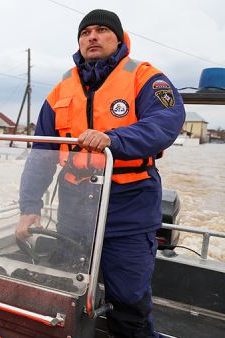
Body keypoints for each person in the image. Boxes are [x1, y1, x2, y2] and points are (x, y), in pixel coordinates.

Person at [16, 9, 185, 338]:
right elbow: (41, 153)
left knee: (129, 300)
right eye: (85, 32)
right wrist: (29, 206)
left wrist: (114, 140)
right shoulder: (61, 90)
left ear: (119, 39)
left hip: (129, 206)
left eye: (102, 30)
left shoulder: (147, 78)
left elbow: (167, 122)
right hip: (74, 207)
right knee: (67, 290)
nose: (92, 36)